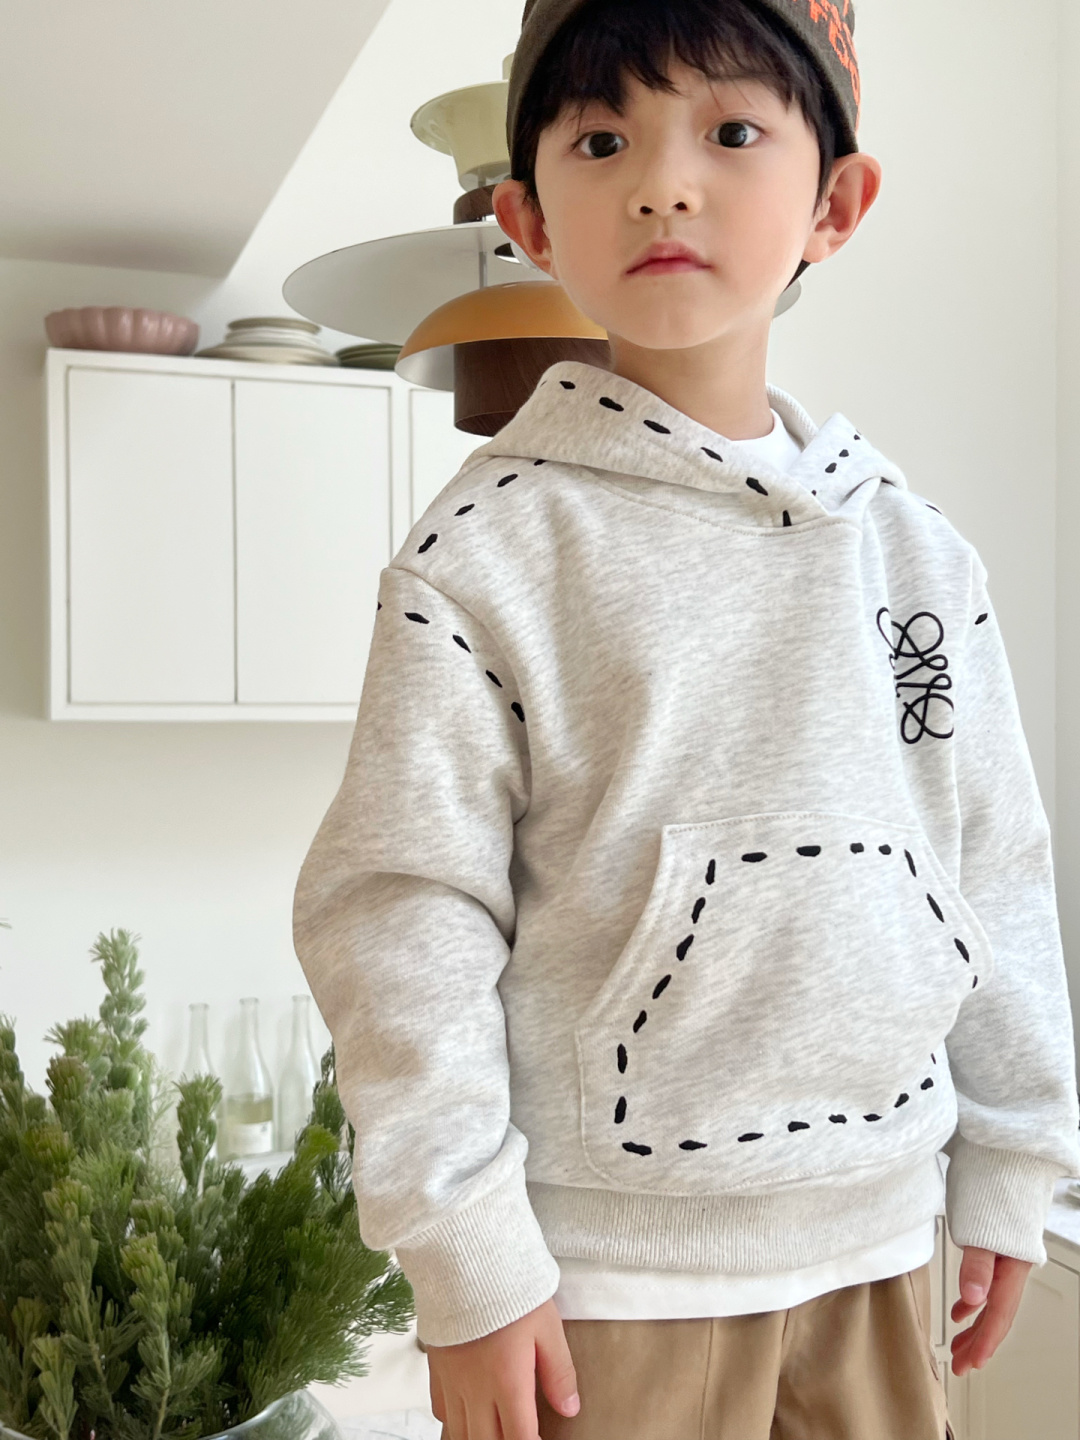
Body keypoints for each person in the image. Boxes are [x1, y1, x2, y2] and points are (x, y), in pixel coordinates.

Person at [292, 1, 1080, 1436]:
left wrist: (1016, 1158)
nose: (665, 183)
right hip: (610, 1284)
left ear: (836, 202)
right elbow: (401, 913)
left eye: (730, 130)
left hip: (885, 1242)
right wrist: (466, 1254)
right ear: (528, 218)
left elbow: (998, 868)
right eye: (604, 140)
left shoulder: (917, 557)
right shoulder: (486, 557)